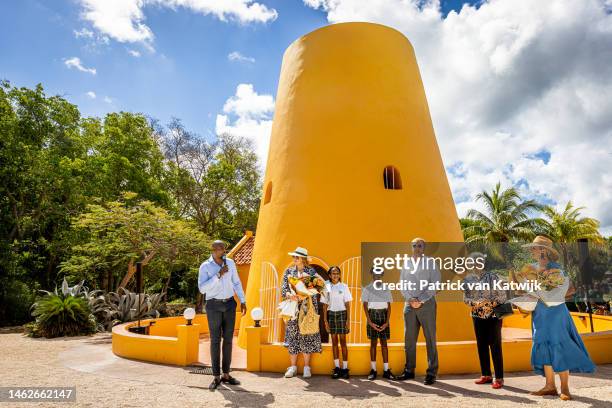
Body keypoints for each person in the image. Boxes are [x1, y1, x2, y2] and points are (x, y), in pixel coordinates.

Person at [522, 236, 595, 401]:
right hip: (539, 312)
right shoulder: (531, 268)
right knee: (543, 344)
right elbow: (527, 289)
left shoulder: (556, 269)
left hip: (555, 313)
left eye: (534, 248)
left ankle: (565, 388)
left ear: (543, 250)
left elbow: (566, 290)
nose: (531, 251)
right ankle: (550, 386)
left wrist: (544, 291)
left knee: (558, 345)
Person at [198, 240, 247, 391]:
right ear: (213, 249)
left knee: (228, 340)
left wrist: (243, 300)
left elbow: (236, 282)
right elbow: (202, 289)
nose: (223, 251)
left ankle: (226, 374)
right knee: (214, 340)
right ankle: (216, 376)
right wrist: (218, 275)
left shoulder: (230, 263)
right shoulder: (205, 266)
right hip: (213, 305)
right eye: (220, 248)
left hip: (230, 304)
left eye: (224, 248)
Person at [397, 237, 440, 385]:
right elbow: (402, 283)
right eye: (414, 245)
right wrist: (410, 299)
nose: (417, 248)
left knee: (430, 339)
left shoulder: (431, 263)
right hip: (409, 305)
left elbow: (435, 284)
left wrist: (420, 299)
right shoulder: (406, 263)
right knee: (409, 340)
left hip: (426, 304)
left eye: (420, 245)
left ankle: (431, 373)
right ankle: (409, 370)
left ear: (424, 247)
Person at [463, 252, 506, 389]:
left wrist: (488, 304)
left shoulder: (494, 277)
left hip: (493, 316)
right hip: (477, 315)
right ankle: (486, 375)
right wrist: (475, 304)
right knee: (481, 345)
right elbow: (465, 299)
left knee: (495, 346)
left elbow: (503, 296)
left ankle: (499, 378)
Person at [281, 247, 323, 378]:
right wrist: (289, 294)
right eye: (293, 257)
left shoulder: (311, 271)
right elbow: (284, 289)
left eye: (296, 257)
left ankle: (306, 367)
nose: (294, 259)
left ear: (303, 259)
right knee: (293, 334)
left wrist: (304, 295)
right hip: (293, 307)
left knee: (307, 334)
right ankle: (293, 367)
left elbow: (318, 287)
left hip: (307, 307)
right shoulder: (289, 271)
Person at [361, 267, 396, 380]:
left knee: (384, 344)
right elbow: (365, 305)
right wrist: (370, 322)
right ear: (372, 274)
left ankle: (386, 370)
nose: (377, 275)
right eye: (375, 273)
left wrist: (386, 322)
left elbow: (389, 306)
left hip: (383, 316)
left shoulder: (386, 289)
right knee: (373, 344)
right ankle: (373, 370)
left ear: (382, 275)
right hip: (372, 316)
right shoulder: (367, 289)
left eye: (379, 273)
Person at [321, 266, 352, 379]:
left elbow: (348, 304)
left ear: (339, 274)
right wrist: (325, 321)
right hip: (331, 314)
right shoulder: (326, 287)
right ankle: (337, 368)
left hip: (342, 314)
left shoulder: (344, 287)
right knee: (334, 341)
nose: (335, 275)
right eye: (333, 273)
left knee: (343, 341)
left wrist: (348, 320)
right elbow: (324, 305)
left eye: (337, 273)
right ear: (329, 275)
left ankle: (345, 368)